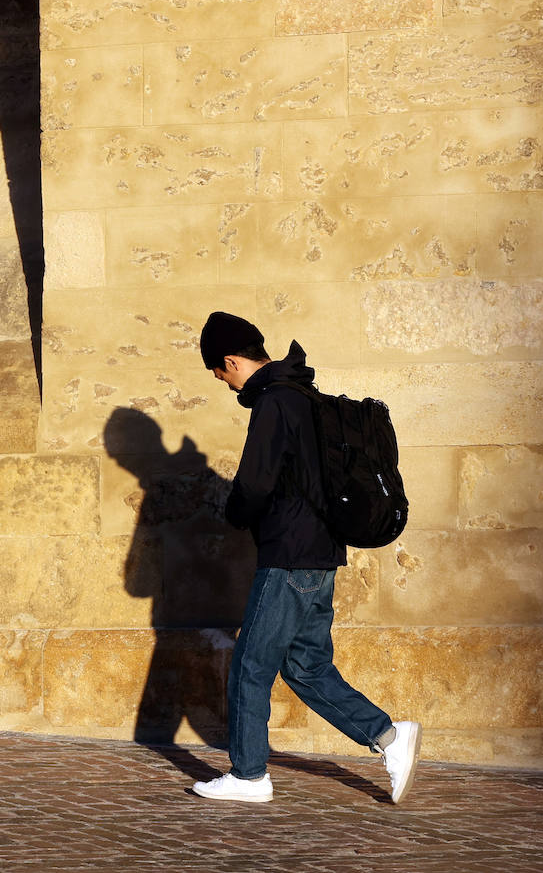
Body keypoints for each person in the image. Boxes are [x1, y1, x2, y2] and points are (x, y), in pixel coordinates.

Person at [191, 311, 421, 804]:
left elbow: (255, 482)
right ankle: (390, 737)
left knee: (251, 665)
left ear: (231, 360)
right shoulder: (303, 395)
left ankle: (249, 775)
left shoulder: (274, 403)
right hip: (319, 555)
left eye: (218, 370)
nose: (219, 379)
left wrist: (235, 513)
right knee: (307, 667)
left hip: (289, 557)